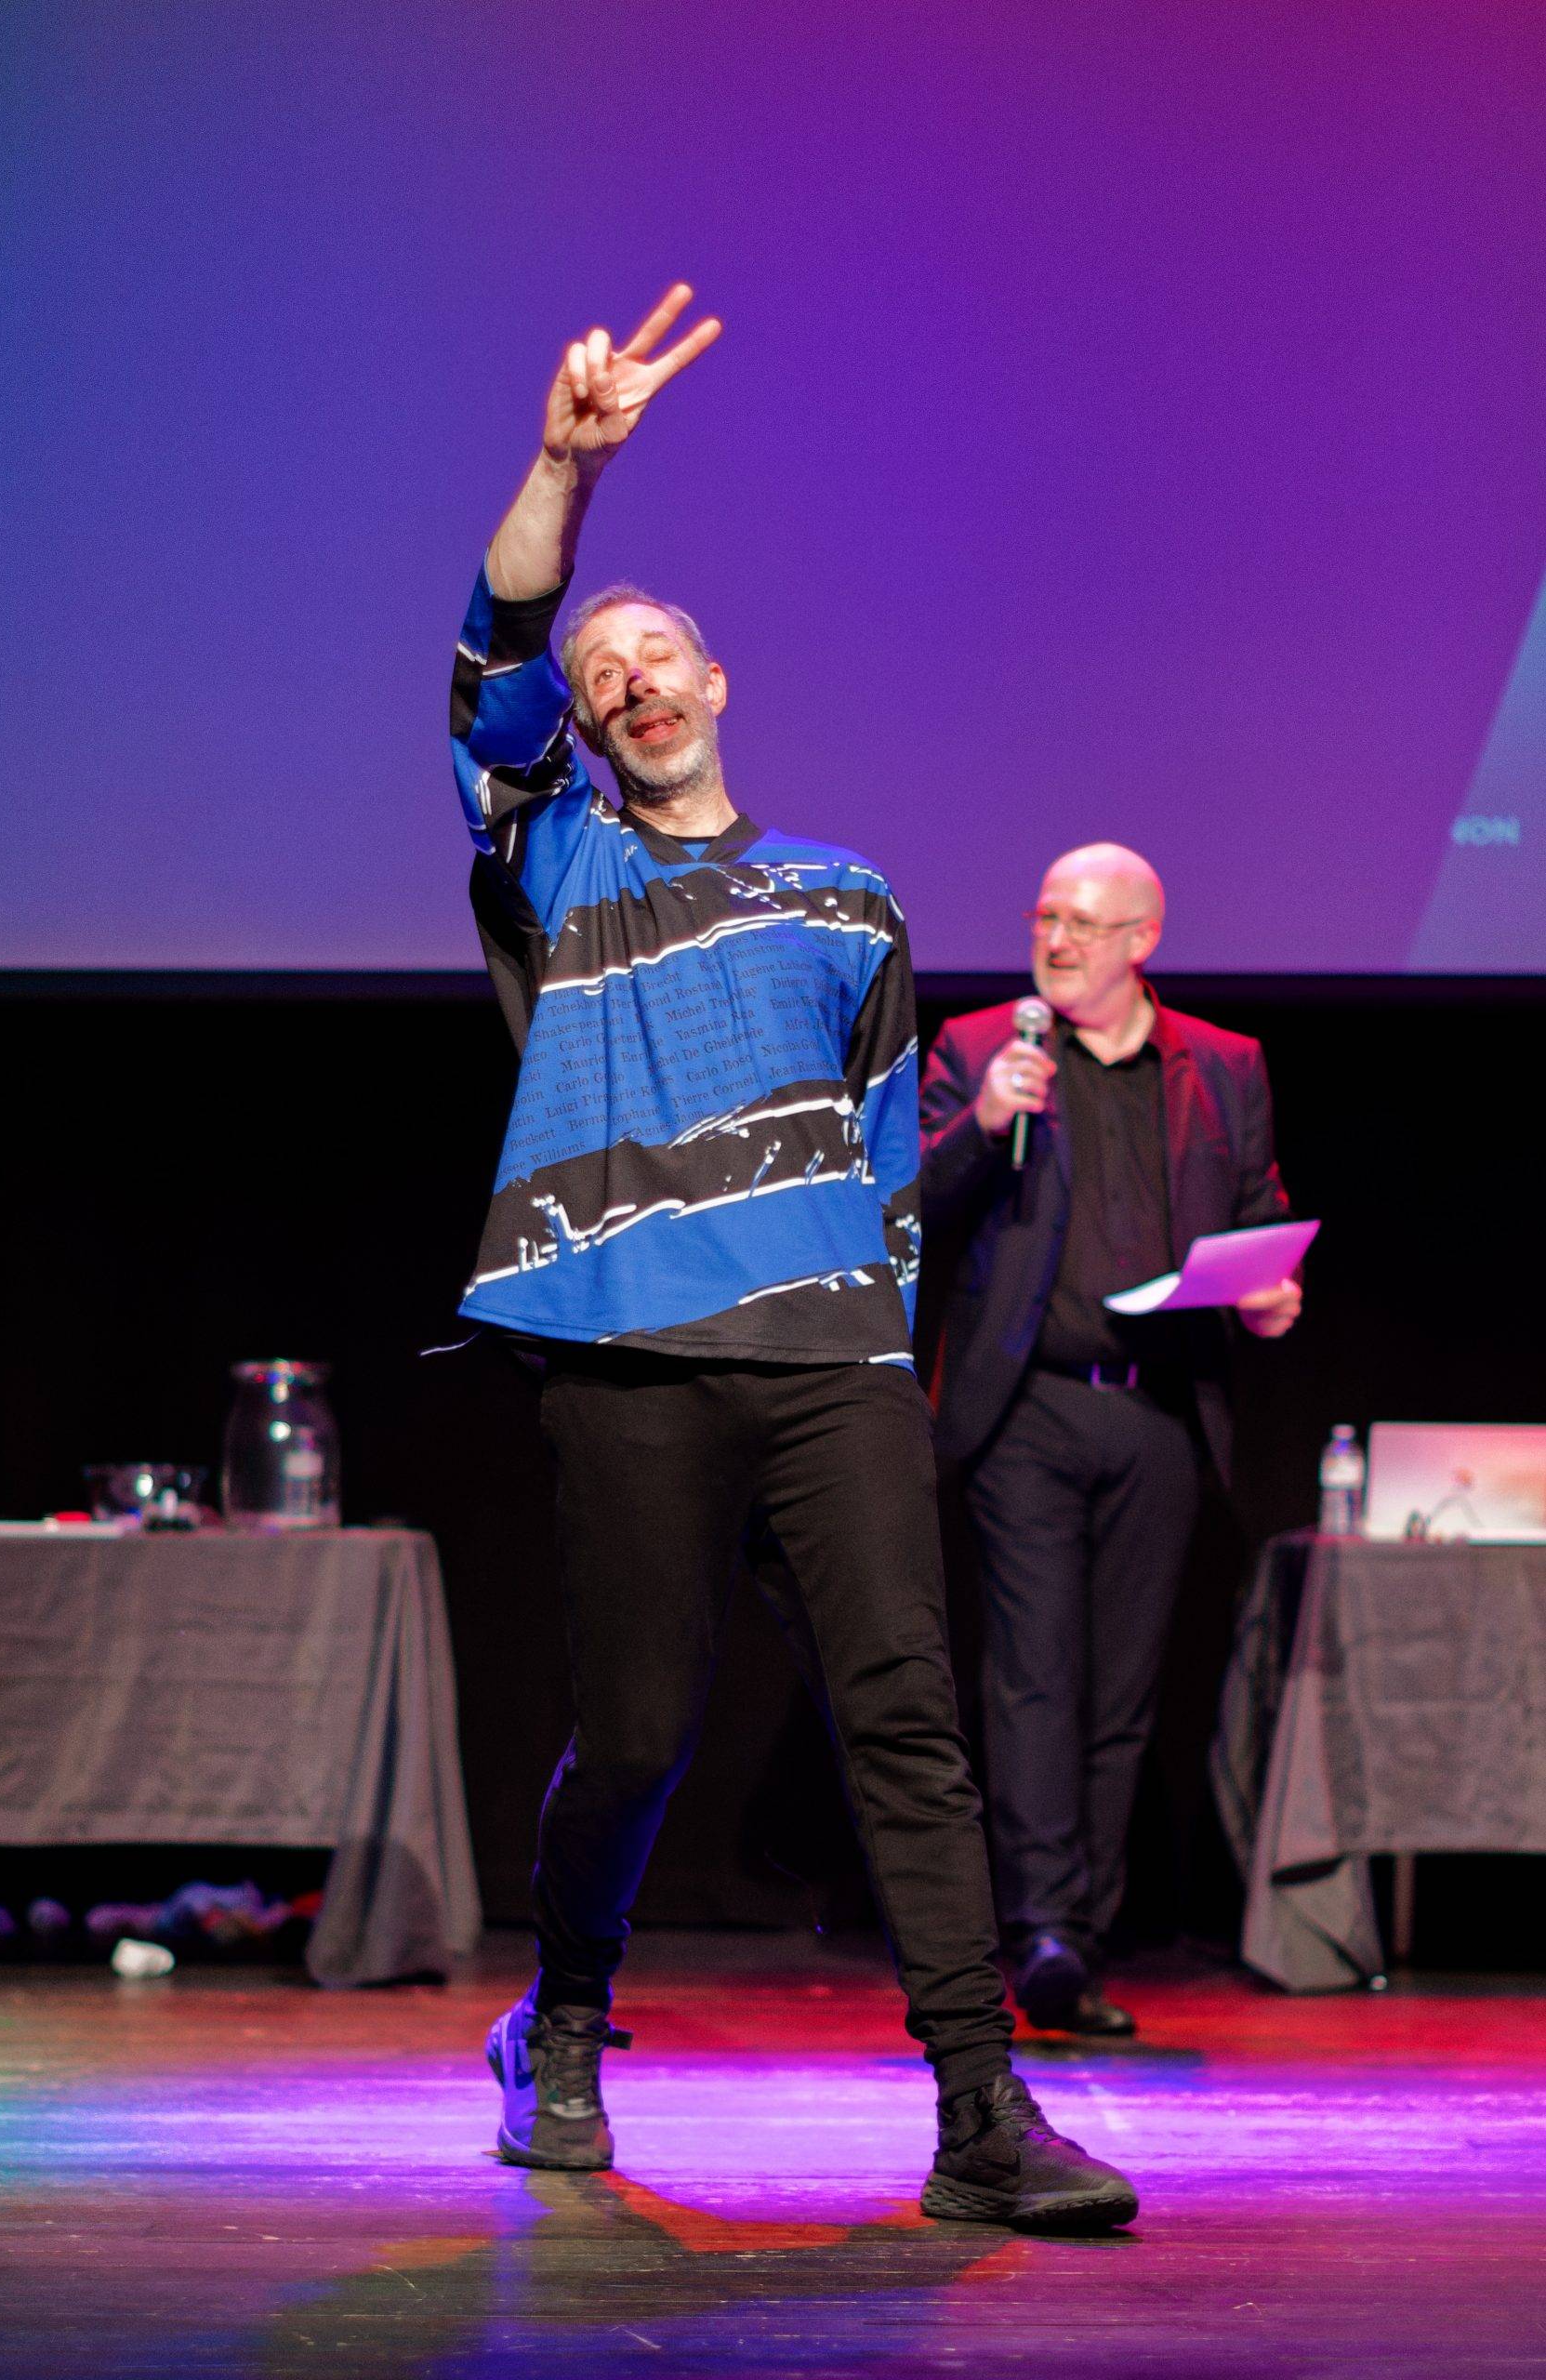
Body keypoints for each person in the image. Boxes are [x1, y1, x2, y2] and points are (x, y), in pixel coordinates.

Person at [448, 286, 1136, 2229]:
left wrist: (883, 1328)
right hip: (629, 1344)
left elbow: (864, 1139)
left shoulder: (847, 895)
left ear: (721, 680)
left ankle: (979, 2110)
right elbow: (492, 641)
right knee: (645, 1725)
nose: (626, 676)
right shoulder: (555, 857)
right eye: (602, 670)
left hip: (827, 1351)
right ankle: (562, 2011)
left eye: (657, 651)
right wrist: (566, 476)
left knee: (901, 1706)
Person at [919, 844, 1300, 2035]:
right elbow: (906, 1209)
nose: (1055, 939)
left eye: (1083, 922)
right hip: (1025, 1407)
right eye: (1043, 916)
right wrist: (984, 1126)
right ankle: (1038, 1931)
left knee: (1121, 1692)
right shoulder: (982, 1050)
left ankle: (1076, 1936)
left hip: (1160, 1412)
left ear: (1142, 938)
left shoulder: (1222, 1068)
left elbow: (1256, 1214)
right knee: (1033, 1677)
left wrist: (1268, 1292)